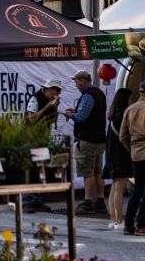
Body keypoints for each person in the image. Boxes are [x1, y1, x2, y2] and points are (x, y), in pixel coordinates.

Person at [64, 69, 108, 215]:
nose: (76, 85)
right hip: (100, 139)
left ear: (83, 81)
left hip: (88, 140)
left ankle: (88, 202)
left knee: (87, 172)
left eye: (77, 82)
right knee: (98, 171)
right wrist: (75, 110)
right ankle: (101, 202)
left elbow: (81, 117)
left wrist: (70, 115)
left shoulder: (88, 95)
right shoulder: (99, 93)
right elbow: (91, 113)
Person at [23, 78, 62, 213]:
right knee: (31, 168)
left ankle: (37, 200)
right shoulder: (36, 98)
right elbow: (32, 119)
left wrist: (55, 107)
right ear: (48, 89)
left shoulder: (51, 102)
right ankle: (27, 201)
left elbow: (54, 121)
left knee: (40, 169)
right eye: (54, 90)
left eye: (58, 91)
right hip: (31, 138)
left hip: (42, 138)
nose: (56, 93)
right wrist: (47, 107)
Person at [103, 87, 133, 229]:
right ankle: (119, 220)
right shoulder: (122, 116)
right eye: (130, 98)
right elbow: (124, 137)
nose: (131, 101)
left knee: (115, 188)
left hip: (112, 155)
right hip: (120, 155)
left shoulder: (113, 115)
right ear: (125, 100)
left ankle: (113, 219)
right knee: (119, 188)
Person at [119, 79, 145, 235]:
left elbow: (122, 136)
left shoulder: (130, 109)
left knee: (137, 190)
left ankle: (128, 225)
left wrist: (132, 149)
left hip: (136, 153)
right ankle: (141, 225)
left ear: (140, 91)